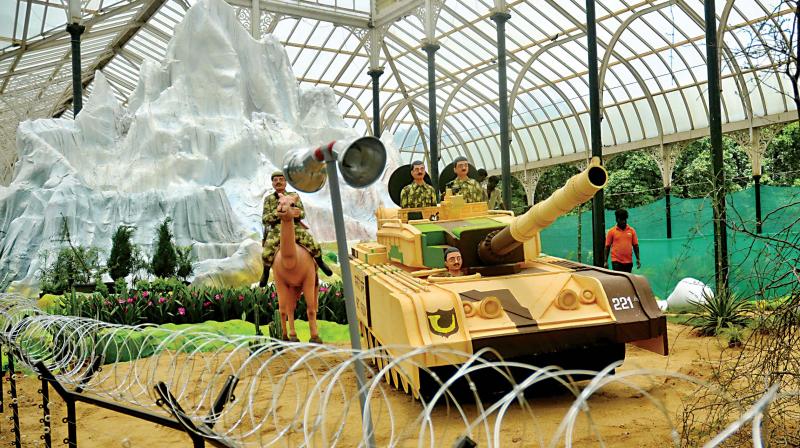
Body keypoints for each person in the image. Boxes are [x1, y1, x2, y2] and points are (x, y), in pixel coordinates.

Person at [260, 170, 332, 287]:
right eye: (275, 180)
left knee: (313, 244)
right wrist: (279, 213)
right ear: (272, 183)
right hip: (276, 229)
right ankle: (266, 272)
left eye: (281, 179)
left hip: (294, 226)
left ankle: (320, 262)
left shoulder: (294, 196)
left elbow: (302, 213)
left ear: (286, 182)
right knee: (267, 252)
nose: (278, 182)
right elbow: (265, 219)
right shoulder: (268, 199)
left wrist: (295, 213)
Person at [604, 208, 640, 273]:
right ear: (617, 220)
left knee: (626, 280)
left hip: (628, 261)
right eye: (621, 219)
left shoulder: (631, 231)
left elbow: (635, 245)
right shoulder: (611, 231)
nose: (624, 221)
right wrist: (605, 261)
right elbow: (607, 247)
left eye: (625, 219)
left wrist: (638, 259)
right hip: (616, 261)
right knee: (619, 279)